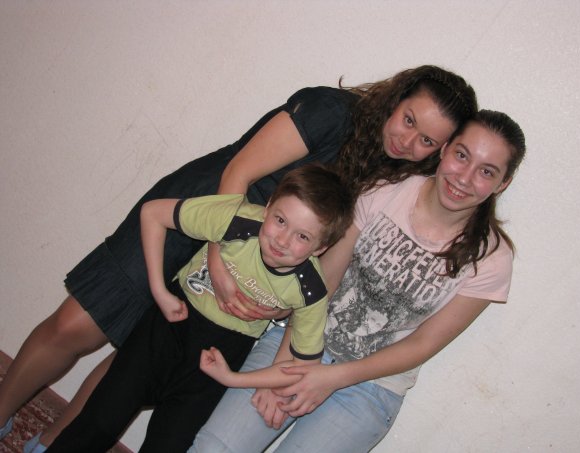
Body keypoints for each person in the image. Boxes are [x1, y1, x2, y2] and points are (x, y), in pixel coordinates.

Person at [0, 65, 477, 452]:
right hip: (201, 213)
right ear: (396, 97)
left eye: (427, 141)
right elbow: (240, 169)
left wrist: (278, 297)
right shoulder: (332, 112)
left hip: (257, 257)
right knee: (77, 324)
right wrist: (218, 260)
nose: (409, 142)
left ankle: (51, 442)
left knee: (138, 355)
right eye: (409, 120)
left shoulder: (392, 179)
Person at [188, 109, 527, 453]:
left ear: (503, 184)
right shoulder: (386, 191)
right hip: (302, 341)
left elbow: (422, 344)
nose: (464, 177)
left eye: (487, 171)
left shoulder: (491, 260)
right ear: (445, 149)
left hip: (371, 386)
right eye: (461, 155)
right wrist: (281, 369)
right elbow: (322, 283)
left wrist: (333, 378)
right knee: (213, 449)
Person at [45, 164, 354, 453]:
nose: (282, 240)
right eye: (280, 220)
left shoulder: (311, 291)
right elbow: (153, 213)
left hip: (217, 361)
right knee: (99, 421)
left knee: (167, 447)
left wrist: (232, 379)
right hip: (168, 327)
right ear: (269, 205)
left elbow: (301, 369)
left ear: (320, 248)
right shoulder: (238, 220)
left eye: (302, 236)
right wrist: (159, 291)